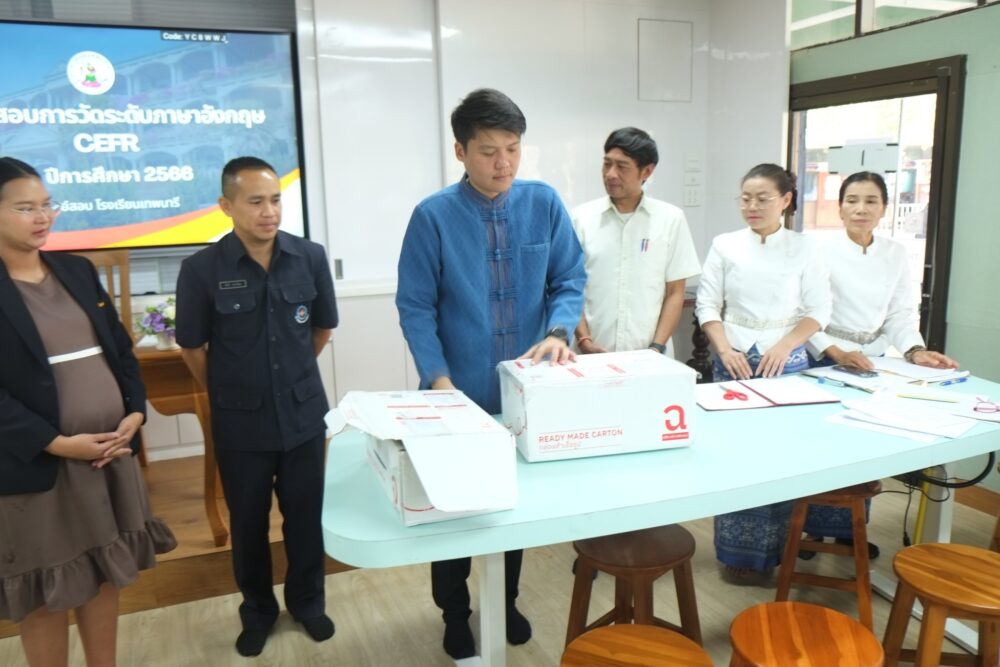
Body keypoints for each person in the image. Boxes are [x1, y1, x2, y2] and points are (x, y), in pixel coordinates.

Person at [396, 88, 586, 660]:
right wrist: (438, 379)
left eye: (513, 148)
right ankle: (454, 613)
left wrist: (559, 331)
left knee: (510, 510)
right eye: (488, 151)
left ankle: (504, 602)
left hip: (524, 394)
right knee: (451, 515)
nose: (504, 163)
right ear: (460, 151)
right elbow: (415, 306)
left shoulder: (543, 202)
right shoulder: (433, 216)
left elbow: (569, 277)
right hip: (454, 395)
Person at [0, 157, 176, 666]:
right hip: (37, 466)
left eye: (47, 205)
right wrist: (56, 443)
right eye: (25, 208)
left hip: (107, 458)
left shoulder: (75, 270)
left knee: (104, 572)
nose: (43, 217)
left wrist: (134, 414)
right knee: (45, 590)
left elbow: (120, 351)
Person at [175, 157, 338, 657]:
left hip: (303, 415)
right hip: (241, 424)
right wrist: (232, 390)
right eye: (255, 202)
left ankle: (307, 604)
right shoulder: (200, 270)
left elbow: (322, 329)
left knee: (305, 517)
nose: (269, 212)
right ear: (226, 206)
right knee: (247, 524)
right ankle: (258, 611)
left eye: (275, 200)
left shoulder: (309, 256)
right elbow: (192, 348)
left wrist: (289, 380)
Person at [801, 170, 959, 556]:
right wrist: (833, 352)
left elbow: (900, 313)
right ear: (840, 208)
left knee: (863, 446)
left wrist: (914, 350)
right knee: (822, 446)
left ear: (884, 208)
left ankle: (849, 530)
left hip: (873, 360)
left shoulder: (894, 253)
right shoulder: (818, 249)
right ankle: (809, 531)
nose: (861, 209)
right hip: (825, 357)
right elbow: (803, 311)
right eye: (852, 200)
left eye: (871, 201)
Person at [694, 162, 831, 576]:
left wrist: (786, 345)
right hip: (732, 363)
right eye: (745, 198)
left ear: (785, 200)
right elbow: (707, 305)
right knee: (735, 458)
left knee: (784, 458)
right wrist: (724, 349)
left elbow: (819, 310)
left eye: (762, 198)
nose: (751, 206)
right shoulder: (725, 244)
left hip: (785, 366)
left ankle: (787, 548)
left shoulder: (805, 248)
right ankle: (738, 555)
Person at [572, 127, 700, 357]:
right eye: (607, 164)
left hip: (652, 356)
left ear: (647, 171)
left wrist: (656, 347)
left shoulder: (670, 219)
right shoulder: (581, 219)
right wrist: (584, 341)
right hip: (589, 356)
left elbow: (675, 292)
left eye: (622, 166)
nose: (611, 174)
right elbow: (570, 286)